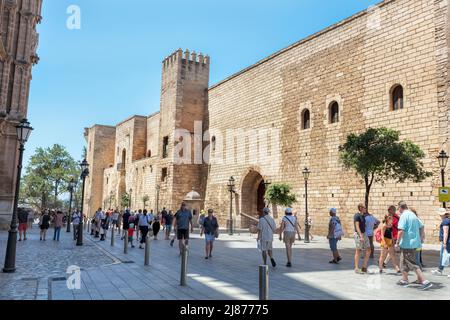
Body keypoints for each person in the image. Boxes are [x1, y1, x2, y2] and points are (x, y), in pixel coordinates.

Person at [396, 201, 432, 290]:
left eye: (398, 209)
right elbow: (421, 225)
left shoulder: (404, 216)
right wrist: (420, 237)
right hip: (414, 243)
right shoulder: (413, 215)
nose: (398, 210)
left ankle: (424, 281)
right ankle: (404, 279)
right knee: (403, 261)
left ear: (400, 208)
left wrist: (397, 243)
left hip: (407, 244)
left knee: (411, 263)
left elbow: (401, 231)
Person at [432, 208, 450, 276]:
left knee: (445, 255)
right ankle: (440, 269)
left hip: (447, 241)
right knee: (443, 255)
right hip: (447, 241)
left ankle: (440, 270)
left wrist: (444, 243)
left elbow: (446, 232)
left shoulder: (445, 221)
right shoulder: (447, 220)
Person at [354, 203, 371, 273]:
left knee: (369, 249)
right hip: (359, 235)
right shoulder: (357, 216)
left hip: (364, 234)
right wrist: (360, 236)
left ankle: (364, 266)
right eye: (364, 208)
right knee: (358, 250)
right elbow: (357, 226)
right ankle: (356, 268)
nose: (365, 209)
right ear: (360, 208)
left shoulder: (363, 216)